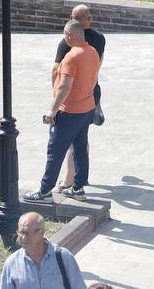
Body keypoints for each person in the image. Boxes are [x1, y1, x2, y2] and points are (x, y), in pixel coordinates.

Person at [24, 19, 100, 203]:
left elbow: (64, 87)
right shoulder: (93, 52)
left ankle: (44, 191)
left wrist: (52, 111)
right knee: (80, 149)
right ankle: (78, 188)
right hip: (87, 108)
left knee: (55, 150)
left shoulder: (71, 58)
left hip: (70, 112)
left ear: (69, 36)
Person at [0, 212, 81, 289]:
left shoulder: (63, 257)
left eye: (27, 233)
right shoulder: (12, 263)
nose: (23, 237)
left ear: (42, 232)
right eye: (21, 232)